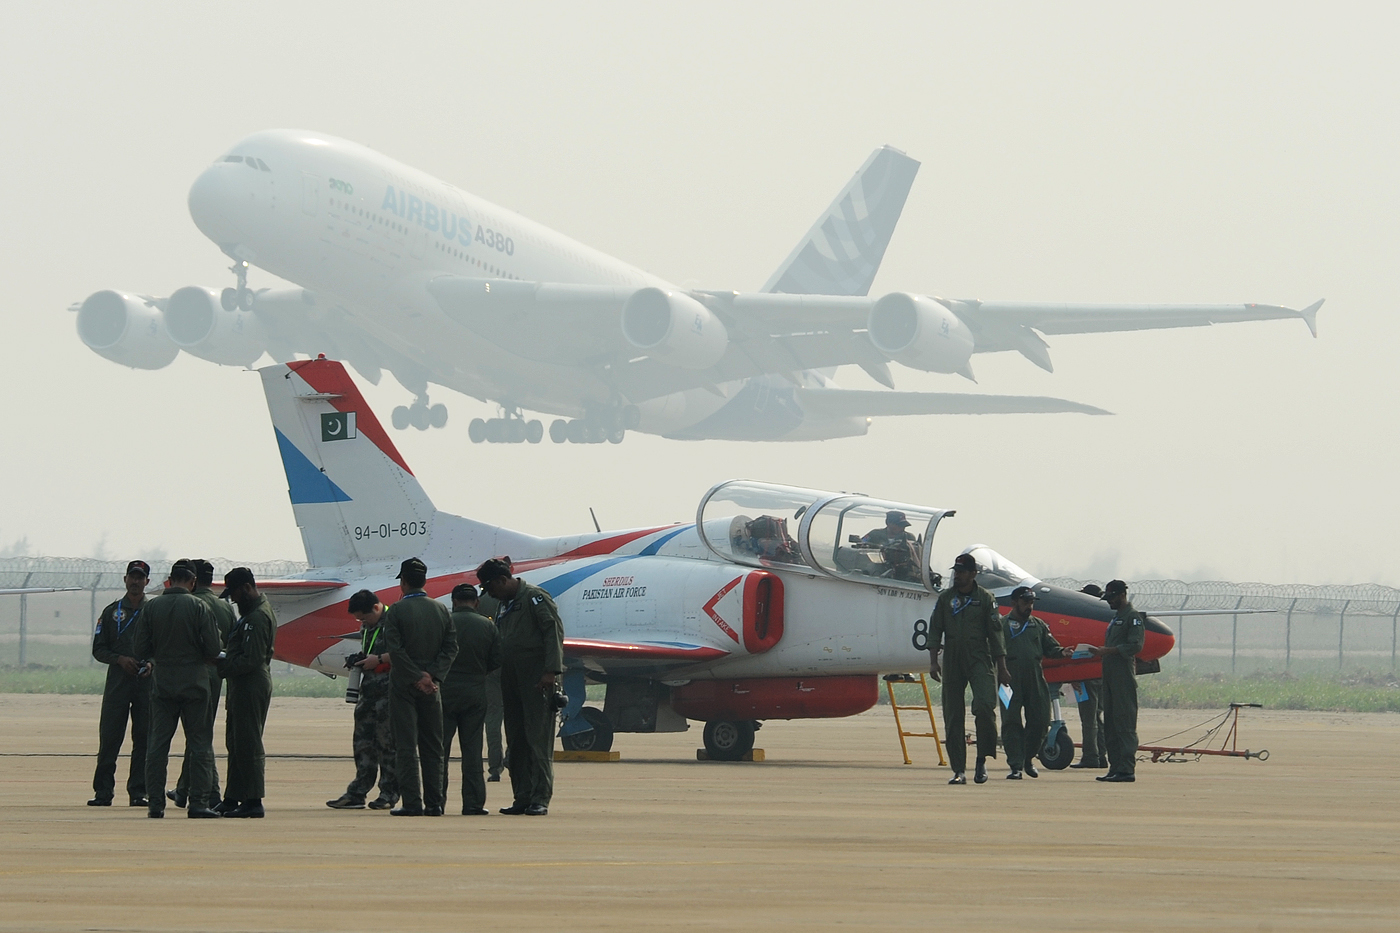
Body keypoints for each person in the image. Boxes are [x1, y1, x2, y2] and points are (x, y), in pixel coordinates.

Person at [476, 557, 564, 816]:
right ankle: (522, 796)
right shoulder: (505, 605)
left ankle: (540, 797)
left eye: (491, 587)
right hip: (511, 678)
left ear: (503, 580)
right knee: (516, 740)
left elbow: (553, 632)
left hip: (537, 678)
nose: (489, 593)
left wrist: (551, 671)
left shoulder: (535, 598)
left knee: (538, 738)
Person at [134, 560, 222, 818]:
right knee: (199, 744)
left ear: (169, 580)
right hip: (195, 682)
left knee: (158, 745)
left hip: (163, 684)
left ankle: (155, 804)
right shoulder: (199, 606)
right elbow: (214, 649)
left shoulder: (152, 607)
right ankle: (198, 803)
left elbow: (140, 649)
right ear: (193, 582)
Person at [381, 558, 457, 816]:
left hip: (404, 684)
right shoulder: (441, 610)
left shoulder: (396, 612)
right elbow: (451, 648)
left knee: (406, 745)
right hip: (432, 687)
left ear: (403, 582)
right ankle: (435, 803)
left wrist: (415, 676)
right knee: (433, 746)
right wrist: (432, 676)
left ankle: (412, 803)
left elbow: (395, 650)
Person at [928, 552, 1011, 785]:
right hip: (953, 658)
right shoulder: (946, 599)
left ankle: (982, 759)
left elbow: (996, 634)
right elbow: (935, 629)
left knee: (985, 706)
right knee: (953, 715)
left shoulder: (985, 599)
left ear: (974, 574)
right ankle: (958, 770)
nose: (958, 576)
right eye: (956, 571)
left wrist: (1002, 667)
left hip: (979, 657)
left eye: (963, 572)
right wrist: (933, 660)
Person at [170, 559, 236, 809]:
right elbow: (230, 643)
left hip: (190, 676)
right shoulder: (224, 607)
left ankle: (211, 791)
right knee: (200, 735)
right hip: (216, 676)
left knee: (197, 738)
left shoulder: (190, 605)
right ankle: (185, 788)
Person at [89, 559, 154, 808]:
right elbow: (98, 649)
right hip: (118, 684)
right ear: (125, 579)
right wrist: (119, 659)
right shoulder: (111, 612)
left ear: (147, 582)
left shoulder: (154, 612)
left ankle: (139, 791)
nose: (135, 581)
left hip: (146, 684)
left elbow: (162, 646)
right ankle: (103, 792)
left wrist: (151, 663)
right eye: (132, 576)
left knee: (144, 739)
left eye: (140, 577)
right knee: (110, 737)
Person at [326, 590, 399, 810]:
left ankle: (389, 792)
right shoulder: (368, 626)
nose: (362, 622)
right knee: (363, 743)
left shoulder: (395, 622)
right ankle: (358, 791)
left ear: (376, 608)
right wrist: (360, 659)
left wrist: (378, 660)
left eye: (364, 617)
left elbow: (406, 652)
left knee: (388, 744)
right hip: (369, 691)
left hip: (388, 692)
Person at [218, 566, 277, 817]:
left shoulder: (256, 618)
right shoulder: (249, 614)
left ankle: (253, 800)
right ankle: (233, 797)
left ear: (247, 588)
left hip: (250, 683)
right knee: (236, 741)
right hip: (241, 683)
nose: (233, 599)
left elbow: (250, 660)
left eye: (235, 593)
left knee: (249, 743)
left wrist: (220, 665)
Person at [1000, 586, 1073, 779]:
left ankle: (1028, 758)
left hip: (1034, 678)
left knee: (1040, 719)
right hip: (1008, 679)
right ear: (1014, 603)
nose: (1029, 607)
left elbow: (1051, 647)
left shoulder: (1038, 625)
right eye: (1025, 602)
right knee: (1011, 722)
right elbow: (992, 651)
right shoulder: (1001, 625)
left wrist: (1061, 652)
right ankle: (1015, 765)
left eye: (1031, 603)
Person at [442, 584, 502, 815]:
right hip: (475, 691)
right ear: (476, 602)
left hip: (445, 691)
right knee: (473, 750)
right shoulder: (487, 626)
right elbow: (497, 659)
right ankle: (474, 803)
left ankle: (436, 800)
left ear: (453, 601)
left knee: (440, 750)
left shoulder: (444, 623)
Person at [1088, 579, 1146, 783]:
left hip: (1123, 677)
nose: (1109, 602)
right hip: (1110, 676)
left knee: (1125, 723)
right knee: (1110, 723)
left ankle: (1126, 768)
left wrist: (1108, 651)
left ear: (1122, 595)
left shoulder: (1133, 617)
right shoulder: (1116, 618)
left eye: (1112, 597)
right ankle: (1115, 767)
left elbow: (1135, 646)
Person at [1070, 584, 1107, 770]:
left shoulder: (1085, 621)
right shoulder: (1104, 620)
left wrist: (1073, 676)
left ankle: (1091, 756)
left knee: (1088, 719)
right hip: (1100, 677)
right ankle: (1101, 755)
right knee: (1097, 717)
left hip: (1085, 679)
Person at [478, 589, 507, 782]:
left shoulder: (481, 602)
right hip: (512, 665)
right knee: (518, 718)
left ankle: (495, 767)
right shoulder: (516, 599)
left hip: (490, 668)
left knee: (493, 720)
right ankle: (514, 757)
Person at [860, 510, 921, 581]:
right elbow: (861, 544)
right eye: (898, 525)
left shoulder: (909, 538)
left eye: (903, 526)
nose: (902, 528)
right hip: (875, 572)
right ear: (888, 523)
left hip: (901, 574)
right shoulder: (874, 534)